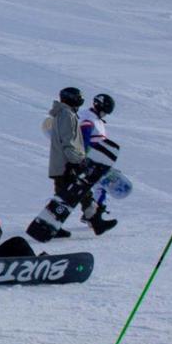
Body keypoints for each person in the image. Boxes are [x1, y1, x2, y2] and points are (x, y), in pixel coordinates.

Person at [28, 87, 87, 241]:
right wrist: (76, 161)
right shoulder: (66, 115)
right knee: (66, 197)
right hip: (66, 165)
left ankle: (53, 225)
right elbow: (68, 142)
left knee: (63, 197)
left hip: (61, 164)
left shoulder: (64, 114)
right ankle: (49, 226)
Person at [76, 91, 120, 236]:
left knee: (89, 189)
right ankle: (94, 217)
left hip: (96, 159)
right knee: (101, 186)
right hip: (92, 161)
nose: (105, 115)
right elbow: (85, 137)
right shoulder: (89, 118)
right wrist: (85, 156)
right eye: (104, 112)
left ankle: (91, 216)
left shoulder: (92, 117)